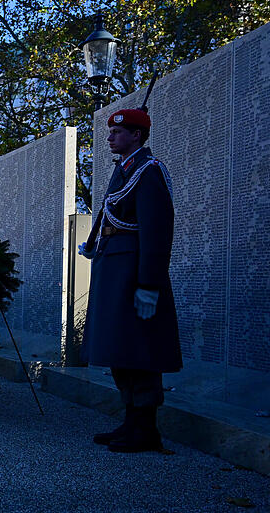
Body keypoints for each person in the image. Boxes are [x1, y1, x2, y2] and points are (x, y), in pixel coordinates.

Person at [81, 108, 180, 454]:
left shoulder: (149, 172)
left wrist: (149, 286)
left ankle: (146, 428)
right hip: (114, 271)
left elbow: (156, 232)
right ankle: (130, 420)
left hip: (134, 274)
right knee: (121, 351)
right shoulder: (125, 170)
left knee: (141, 352)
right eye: (110, 132)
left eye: (118, 132)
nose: (110, 137)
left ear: (137, 135)